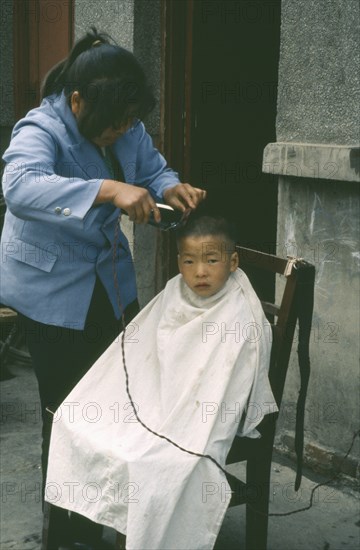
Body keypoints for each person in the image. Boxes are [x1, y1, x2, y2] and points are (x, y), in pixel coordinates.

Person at [0, 28, 205, 549]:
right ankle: (63, 531)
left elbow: (153, 168)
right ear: (77, 100)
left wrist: (169, 187)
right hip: (51, 289)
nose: (122, 131)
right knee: (68, 413)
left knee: (117, 404)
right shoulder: (41, 127)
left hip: (108, 283)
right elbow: (19, 187)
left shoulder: (125, 125)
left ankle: (106, 514)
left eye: (129, 122)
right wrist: (109, 189)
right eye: (114, 124)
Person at [46, 215, 278, 550]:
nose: (200, 272)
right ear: (178, 261)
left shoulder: (240, 314)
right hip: (153, 400)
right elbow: (143, 353)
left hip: (199, 417)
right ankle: (78, 530)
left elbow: (226, 380)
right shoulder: (175, 291)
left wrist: (182, 410)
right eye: (188, 261)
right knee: (74, 419)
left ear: (232, 261)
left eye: (212, 261)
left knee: (148, 461)